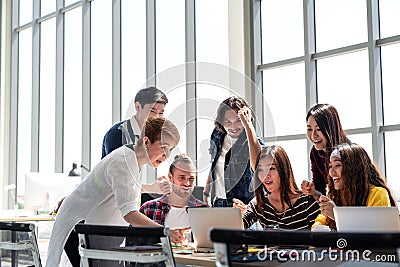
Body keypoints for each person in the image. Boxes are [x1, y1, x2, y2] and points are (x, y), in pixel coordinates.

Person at [45, 117, 183, 267]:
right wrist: (164, 231)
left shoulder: (134, 161)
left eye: (171, 149)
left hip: (97, 227)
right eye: (164, 147)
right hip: (79, 227)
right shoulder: (123, 161)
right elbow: (129, 213)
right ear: (146, 141)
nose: (167, 155)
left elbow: (124, 194)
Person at [312, 143, 397, 230]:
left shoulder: (377, 194)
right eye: (330, 166)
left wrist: (337, 216)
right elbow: (317, 225)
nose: (331, 173)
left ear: (354, 167)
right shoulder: (335, 196)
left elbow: (377, 233)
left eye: (337, 165)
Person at [233, 145, 320, 230]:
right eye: (261, 170)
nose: (265, 175)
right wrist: (237, 215)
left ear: (283, 169)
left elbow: (320, 239)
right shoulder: (259, 203)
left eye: (271, 168)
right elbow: (238, 228)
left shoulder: (307, 202)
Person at [203, 96, 264, 207]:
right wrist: (206, 193)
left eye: (238, 121)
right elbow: (214, 164)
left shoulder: (252, 140)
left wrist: (248, 125)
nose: (233, 127)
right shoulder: (217, 135)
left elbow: (260, 166)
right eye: (228, 122)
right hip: (218, 203)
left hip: (243, 206)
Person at [140, 154, 208, 227]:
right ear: (170, 177)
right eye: (182, 178)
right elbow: (134, 237)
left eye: (191, 179)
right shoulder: (148, 209)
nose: (187, 183)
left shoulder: (205, 212)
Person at [102, 87, 168, 158]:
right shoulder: (118, 133)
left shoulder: (154, 135)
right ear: (138, 107)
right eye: (152, 111)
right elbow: (115, 167)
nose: (156, 117)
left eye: (161, 113)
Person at [301, 103, 351, 200]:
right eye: (309, 129)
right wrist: (312, 191)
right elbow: (320, 189)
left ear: (331, 128)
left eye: (319, 129)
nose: (313, 135)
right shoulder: (315, 153)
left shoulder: (348, 153)